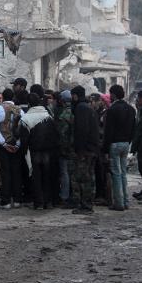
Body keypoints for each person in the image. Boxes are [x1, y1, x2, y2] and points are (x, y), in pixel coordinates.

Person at [19, 93, 60, 210]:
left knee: (36, 177)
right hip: (48, 151)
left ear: (29, 103)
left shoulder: (26, 118)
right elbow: (55, 134)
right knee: (47, 176)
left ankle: (39, 202)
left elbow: (24, 139)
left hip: (34, 151)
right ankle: (49, 201)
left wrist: (23, 152)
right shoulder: (48, 115)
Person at [103, 85, 136, 211]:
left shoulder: (112, 110)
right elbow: (134, 128)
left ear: (114, 95)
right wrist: (129, 141)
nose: (109, 96)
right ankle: (125, 201)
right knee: (123, 173)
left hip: (115, 144)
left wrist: (105, 149)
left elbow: (108, 132)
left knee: (116, 174)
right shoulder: (131, 109)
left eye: (110, 94)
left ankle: (119, 203)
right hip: (126, 143)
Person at [70, 85, 99, 214]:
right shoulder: (88, 107)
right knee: (88, 177)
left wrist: (80, 150)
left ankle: (86, 205)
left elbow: (82, 130)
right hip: (91, 148)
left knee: (83, 178)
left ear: (75, 95)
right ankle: (86, 204)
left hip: (85, 150)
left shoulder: (81, 108)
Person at [0, 88, 24, 209]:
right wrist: (17, 144)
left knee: (4, 172)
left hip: (3, 145)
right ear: (13, 98)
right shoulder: (20, 111)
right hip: (16, 145)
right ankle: (17, 199)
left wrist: (3, 143)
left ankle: (5, 200)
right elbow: (23, 129)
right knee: (16, 171)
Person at [90, 93, 111, 206]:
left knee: (102, 171)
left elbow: (104, 130)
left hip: (102, 146)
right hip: (98, 145)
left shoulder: (105, 114)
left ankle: (102, 195)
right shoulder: (98, 113)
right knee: (98, 170)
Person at [55, 90, 75, 206]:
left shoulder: (64, 114)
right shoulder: (76, 110)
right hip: (74, 147)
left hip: (65, 148)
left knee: (65, 172)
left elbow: (62, 133)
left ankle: (65, 196)